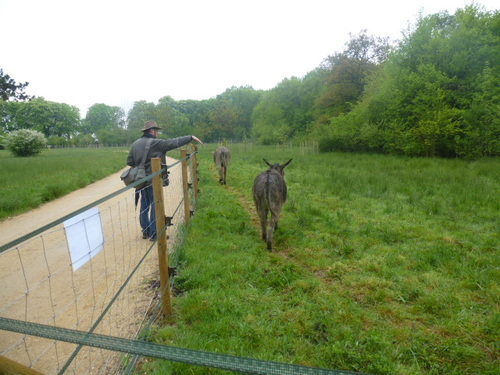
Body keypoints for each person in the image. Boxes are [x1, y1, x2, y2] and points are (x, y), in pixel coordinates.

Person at [127, 121, 203, 241]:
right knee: (155, 205)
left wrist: (142, 167)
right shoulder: (156, 143)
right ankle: (155, 233)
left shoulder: (135, 143)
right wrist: (190, 137)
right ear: (151, 131)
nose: (158, 133)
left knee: (144, 205)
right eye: (156, 131)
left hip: (140, 180)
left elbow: (129, 161)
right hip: (153, 180)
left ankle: (146, 231)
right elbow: (173, 142)